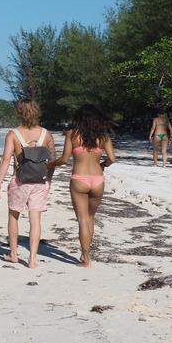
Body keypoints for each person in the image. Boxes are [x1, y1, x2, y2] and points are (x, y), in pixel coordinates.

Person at [0, 100, 56, 269]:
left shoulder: (13, 134)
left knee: (14, 216)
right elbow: (52, 161)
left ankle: (13, 254)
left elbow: (6, 160)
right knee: (35, 220)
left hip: (19, 181)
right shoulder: (46, 134)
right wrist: (48, 180)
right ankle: (33, 259)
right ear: (37, 113)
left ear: (20, 113)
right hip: (39, 183)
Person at [53, 105, 117, 268]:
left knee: (82, 220)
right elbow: (112, 159)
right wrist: (103, 165)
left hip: (79, 179)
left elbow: (64, 159)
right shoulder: (104, 136)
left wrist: (50, 165)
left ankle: (86, 258)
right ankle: (86, 253)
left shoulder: (72, 134)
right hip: (97, 180)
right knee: (90, 217)